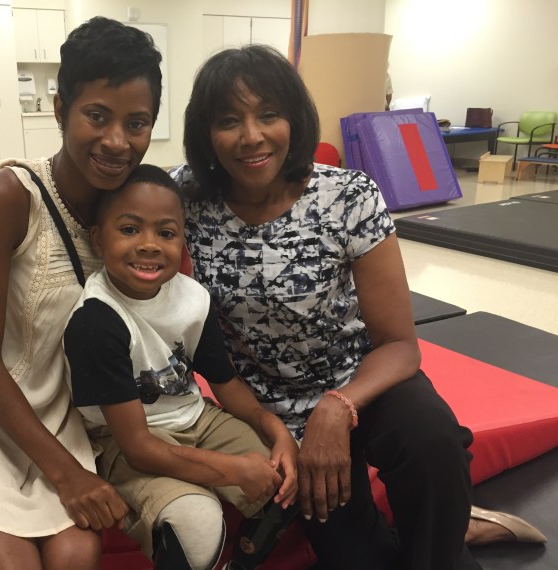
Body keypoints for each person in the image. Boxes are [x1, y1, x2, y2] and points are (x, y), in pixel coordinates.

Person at [172, 45, 545, 570]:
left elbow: (399, 345)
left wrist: (337, 405)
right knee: (356, 556)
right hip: (270, 416)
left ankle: (449, 531)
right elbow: (104, 201)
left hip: (362, 383)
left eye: (269, 115)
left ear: (294, 120)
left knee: (431, 443)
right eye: (228, 120)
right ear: (205, 134)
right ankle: (460, 530)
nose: (251, 136)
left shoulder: (348, 196)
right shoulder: (186, 195)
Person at [0, 17, 162, 570]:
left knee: (76, 554)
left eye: (137, 123)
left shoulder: (133, 211)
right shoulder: (7, 194)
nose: (118, 141)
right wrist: (68, 476)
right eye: (97, 116)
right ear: (60, 109)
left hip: (63, 417)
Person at [63, 164, 300, 570]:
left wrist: (276, 428)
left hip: (195, 416)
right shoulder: (96, 321)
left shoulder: (193, 298)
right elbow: (138, 447)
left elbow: (224, 383)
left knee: (283, 479)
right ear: (99, 239)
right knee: (196, 525)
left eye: (166, 233)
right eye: (129, 229)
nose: (149, 245)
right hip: (127, 440)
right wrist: (232, 469)